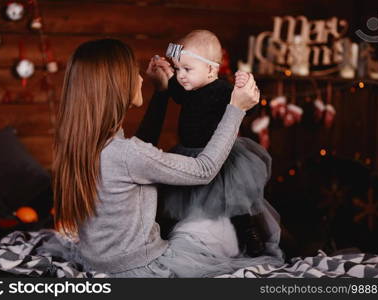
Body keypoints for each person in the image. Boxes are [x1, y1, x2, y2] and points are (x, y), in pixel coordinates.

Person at [52, 38, 282, 278]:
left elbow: (139, 152)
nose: (141, 79)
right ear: (118, 85)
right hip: (141, 268)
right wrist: (236, 109)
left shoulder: (87, 144)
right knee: (220, 232)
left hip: (98, 262)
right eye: (134, 73)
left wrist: (161, 92)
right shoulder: (127, 154)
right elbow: (204, 170)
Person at [154, 30, 283, 258]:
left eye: (187, 69)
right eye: (178, 69)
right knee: (181, 195)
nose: (181, 75)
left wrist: (242, 86)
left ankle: (248, 234)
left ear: (211, 70)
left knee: (235, 200)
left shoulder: (221, 89)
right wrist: (166, 73)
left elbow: (247, 105)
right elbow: (173, 90)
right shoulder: (187, 88)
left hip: (221, 156)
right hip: (190, 154)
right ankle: (172, 233)